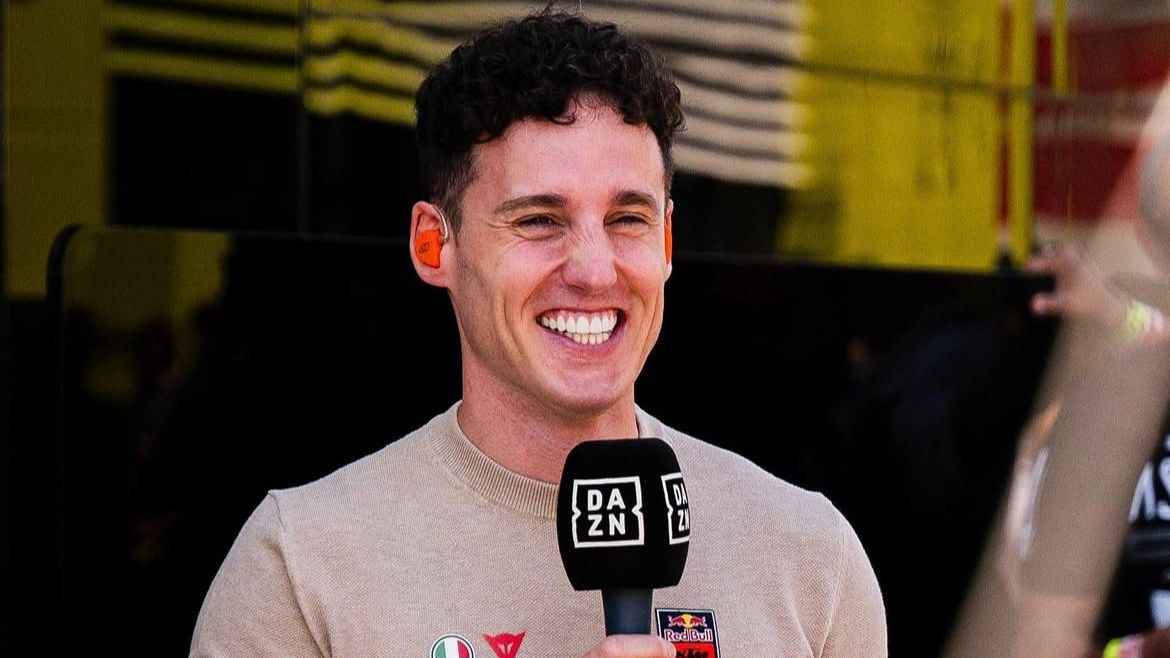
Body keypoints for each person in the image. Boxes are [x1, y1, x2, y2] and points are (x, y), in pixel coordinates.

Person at [190, 11, 886, 657]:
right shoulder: (300, 568)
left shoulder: (810, 558)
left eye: (628, 219)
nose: (593, 270)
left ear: (668, 241)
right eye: (538, 221)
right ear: (435, 245)